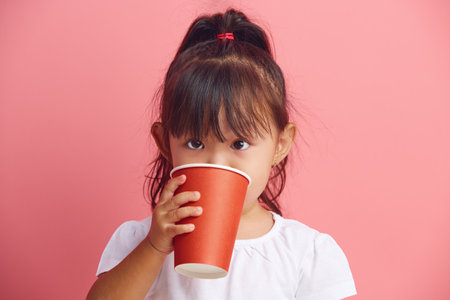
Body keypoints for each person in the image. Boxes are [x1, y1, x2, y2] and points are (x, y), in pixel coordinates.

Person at [87, 8, 357, 300]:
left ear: (280, 144)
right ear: (165, 143)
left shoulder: (306, 252)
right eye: (194, 144)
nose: (215, 163)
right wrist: (155, 246)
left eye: (239, 144)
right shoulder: (138, 240)